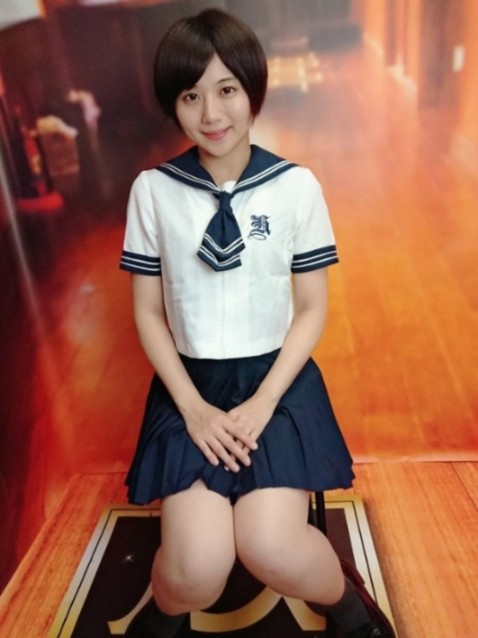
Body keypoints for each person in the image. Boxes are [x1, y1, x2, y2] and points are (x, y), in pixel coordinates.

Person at [119, 8, 395, 638]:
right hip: (191, 388)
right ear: (173, 104)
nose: (211, 114)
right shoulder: (153, 192)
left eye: (227, 90)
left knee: (272, 547)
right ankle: (162, 612)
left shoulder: (295, 187)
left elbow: (312, 307)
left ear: (253, 92)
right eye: (191, 96)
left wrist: (265, 402)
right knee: (196, 570)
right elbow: (147, 311)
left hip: (278, 384)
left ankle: (350, 608)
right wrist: (193, 410)